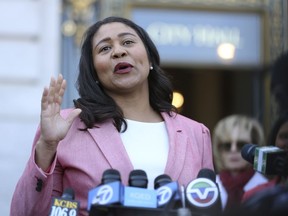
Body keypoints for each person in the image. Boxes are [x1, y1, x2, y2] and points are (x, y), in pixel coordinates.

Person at [10, 16, 214, 216]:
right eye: (105, 48)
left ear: (150, 58)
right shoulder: (66, 127)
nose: (118, 51)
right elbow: (25, 213)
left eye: (127, 42)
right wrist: (47, 145)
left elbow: (210, 208)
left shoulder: (196, 133)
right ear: (94, 72)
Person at [212, 114, 268, 211]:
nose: (233, 150)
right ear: (218, 150)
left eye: (241, 145)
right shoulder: (209, 187)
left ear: (255, 147)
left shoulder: (267, 188)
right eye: (227, 145)